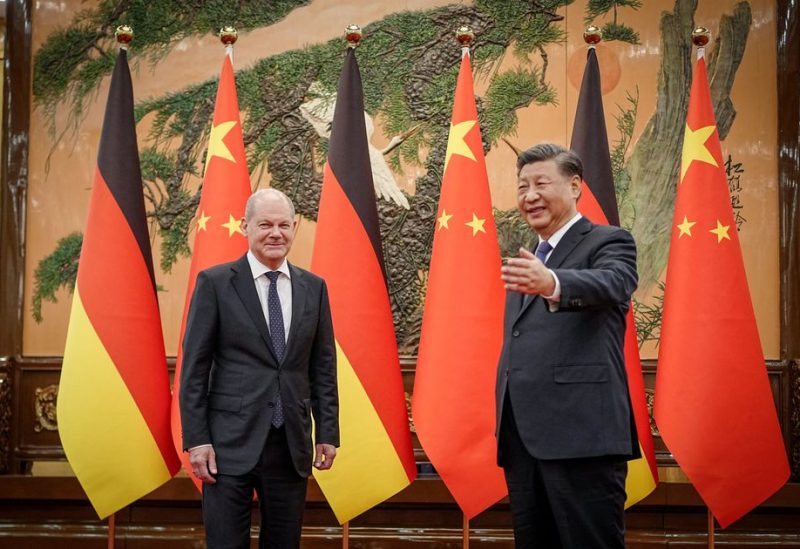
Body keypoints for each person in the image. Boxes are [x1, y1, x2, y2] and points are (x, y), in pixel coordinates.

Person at [497, 144, 639, 548]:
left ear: (575, 186)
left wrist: (555, 284)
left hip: (583, 438)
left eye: (542, 183)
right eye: (522, 186)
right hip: (524, 441)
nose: (529, 196)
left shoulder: (609, 241)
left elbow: (615, 283)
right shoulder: (530, 259)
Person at [179, 188, 339, 549]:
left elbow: (323, 366)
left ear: (295, 228)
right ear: (245, 227)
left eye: (284, 225)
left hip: (291, 444)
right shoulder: (216, 283)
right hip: (227, 445)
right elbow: (194, 370)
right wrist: (197, 440)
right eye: (265, 224)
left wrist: (327, 431)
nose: (275, 233)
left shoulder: (314, 288)